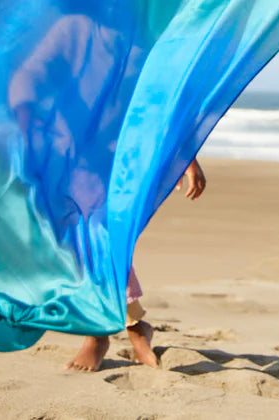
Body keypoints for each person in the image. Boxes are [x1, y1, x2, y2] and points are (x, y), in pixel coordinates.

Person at [65, 157, 206, 372]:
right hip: (69, 148)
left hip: (119, 153)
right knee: (80, 235)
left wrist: (184, 155)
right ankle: (134, 326)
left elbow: (153, 121)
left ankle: (99, 332)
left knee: (99, 233)